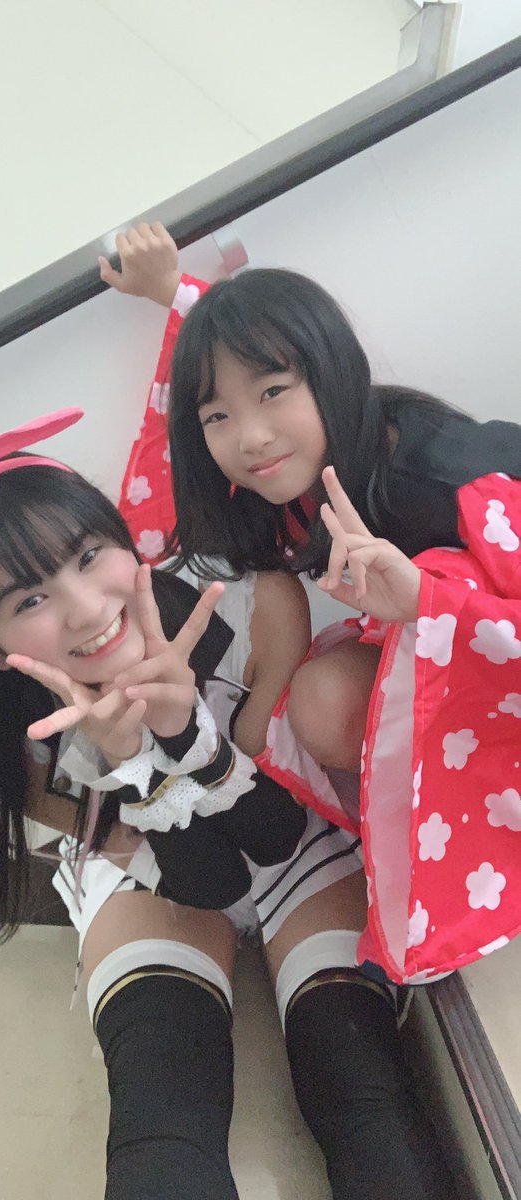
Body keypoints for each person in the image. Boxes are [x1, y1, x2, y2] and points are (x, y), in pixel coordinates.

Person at [0, 407, 456, 1199]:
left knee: (358, 1081)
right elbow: (209, 884)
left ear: (123, 537)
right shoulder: (18, 742)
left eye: (89, 556)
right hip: (151, 871)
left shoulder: (249, 605)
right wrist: (131, 764)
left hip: (285, 832)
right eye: (29, 600)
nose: (86, 608)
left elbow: (273, 836)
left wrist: (185, 734)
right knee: (161, 1110)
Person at [101, 222, 521, 986]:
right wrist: (174, 294)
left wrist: (430, 601)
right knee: (318, 704)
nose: (251, 437)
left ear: (331, 372)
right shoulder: (287, 482)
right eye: (218, 417)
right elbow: (165, 495)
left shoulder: (441, 479)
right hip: (463, 657)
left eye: (272, 393)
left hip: (500, 651)